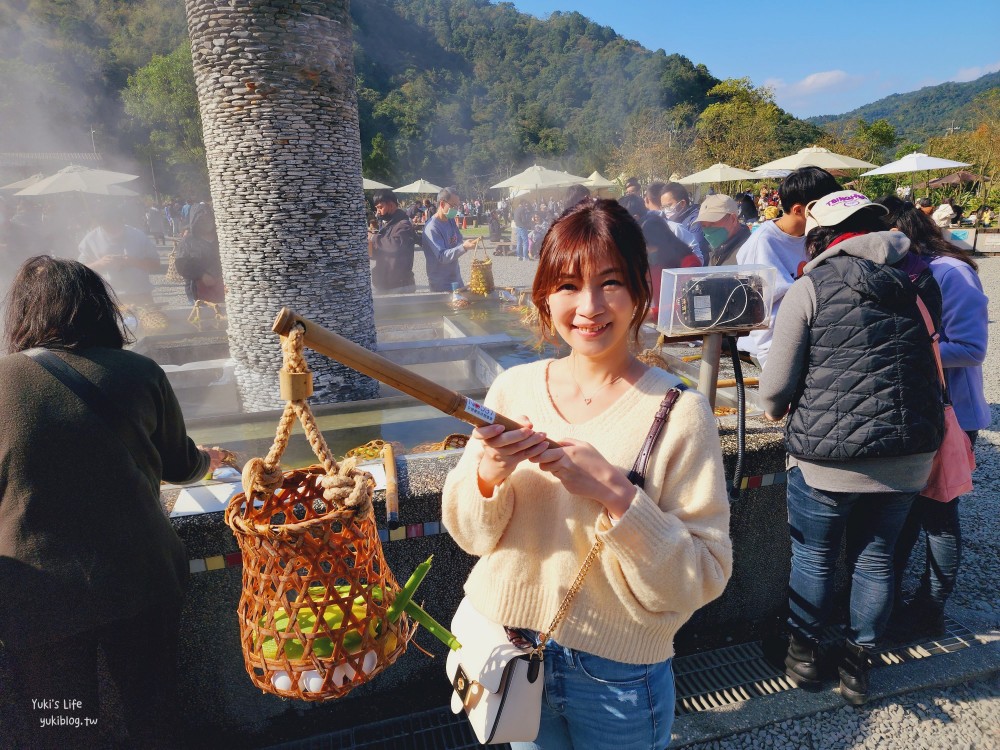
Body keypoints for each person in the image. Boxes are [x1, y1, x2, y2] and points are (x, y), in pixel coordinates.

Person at [441, 198, 732, 750]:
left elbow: (705, 574)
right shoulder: (512, 389)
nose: (589, 306)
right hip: (506, 646)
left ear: (640, 292)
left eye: (610, 282)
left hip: (619, 673)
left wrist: (616, 493)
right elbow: (469, 533)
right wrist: (487, 472)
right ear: (544, 295)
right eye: (568, 285)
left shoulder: (679, 412)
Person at [0, 257, 226, 749]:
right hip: (140, 574)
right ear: (98, 308)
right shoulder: (139, 372)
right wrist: (209, 459)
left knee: (61, 723)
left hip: (37, 591)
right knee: (152, 708)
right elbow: (181, 466)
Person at [760, 190, 944, 706]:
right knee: (878, 557)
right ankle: (858, 664)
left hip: (827, 460)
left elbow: (774, 389)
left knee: (815, 555)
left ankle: (803, 659)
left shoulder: (812, 285)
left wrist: (778, 414)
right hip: (909, 452)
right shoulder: (921, 280)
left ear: (821, 237)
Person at [876, 196, 990, 639]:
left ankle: (930, 609)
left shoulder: (950, 272)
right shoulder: (908, 271)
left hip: (953, 415)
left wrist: (898, 350)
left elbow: (971, 348)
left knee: (939, 515)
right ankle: (892, 600)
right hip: (919, 410)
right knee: (903, 511)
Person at [735, 167, 842, 369]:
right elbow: (763, 314)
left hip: (804, 345)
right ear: (799, 210)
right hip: (768, 352)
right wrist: (775, 369)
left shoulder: (813, 235)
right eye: (823, 207)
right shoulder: (764, 243)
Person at [77, 203, 162, 306]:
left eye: (115, 224)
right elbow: (79, 271)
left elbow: (156, 264)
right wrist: (100, 263)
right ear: (101, 224)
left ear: (121, 219)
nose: (113, 228)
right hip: (108, 297)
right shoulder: (90, 240)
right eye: (107, 226)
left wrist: (133, 262)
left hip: (141, 294)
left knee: (149, 321)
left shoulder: (138, 236)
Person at [422, 186, 478, 292]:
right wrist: (464, 247)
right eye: (453, 205)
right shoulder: (432, 228)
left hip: (456, 277)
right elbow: (442, 257)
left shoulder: (450, 220)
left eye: (458, 206)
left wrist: (465, 244)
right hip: (440, 283)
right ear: (442, 204)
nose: (456, 209)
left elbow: (458, 239)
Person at [368, 189, 416, 294]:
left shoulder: (404, 224)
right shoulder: (389, 225)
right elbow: (383, 252)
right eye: (376, 209)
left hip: (400, 286)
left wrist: (373, 238)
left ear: (391, 205)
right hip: (386, 285)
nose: (378, 212)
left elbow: (395, 246)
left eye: (380, 207)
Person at [174, 202, 224, 303]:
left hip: (222, 288)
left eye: (208, 218)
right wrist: (201, 275)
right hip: (198, 290)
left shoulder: (221, 239)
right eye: (201, 219)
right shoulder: (188, 242)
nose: (206, 222)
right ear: (195, 221)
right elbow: (182, 265)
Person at [661, 181, 710, 262]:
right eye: (663, 207)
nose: (665, 210)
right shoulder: (672, 221)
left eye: (669, 205)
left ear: (682, 203)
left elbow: (696, 249)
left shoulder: (695, 221)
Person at [697, 194, 751, 266]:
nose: (708, 230)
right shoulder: (717, 250)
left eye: (712, 223)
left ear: (733, 219)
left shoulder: (748, 252)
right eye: (703, 225)